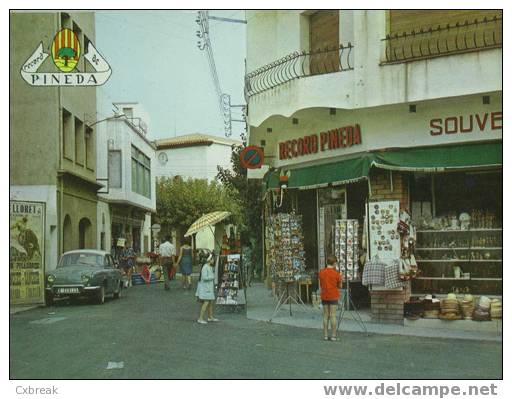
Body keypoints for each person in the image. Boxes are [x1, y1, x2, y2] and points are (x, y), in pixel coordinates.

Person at [318, 255, 342, 341]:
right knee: (333, 315)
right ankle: (333, 336)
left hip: (324, 295)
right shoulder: (336, 273)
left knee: (325, 315)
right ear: (335, 263)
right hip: (333, 295)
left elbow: (321, 284)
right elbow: (339, 285)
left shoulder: (321, 272)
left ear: (326, 262)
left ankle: (325, 335)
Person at [196, 253, 219, 324]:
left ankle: (210, 317)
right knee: (206, 303)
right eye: (212, 259)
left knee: (210, 303)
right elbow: (205, 277)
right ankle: (200, 318)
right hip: (206, 288)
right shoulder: (205, 267)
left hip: (208, 288)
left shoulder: (209, 267)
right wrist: (212, 277)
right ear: (209, 260)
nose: (213, 260)